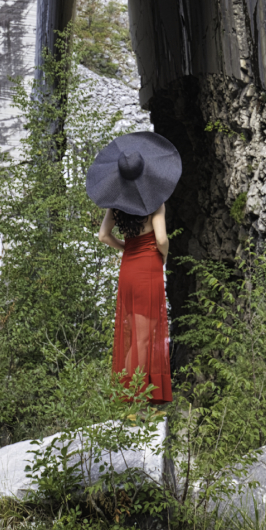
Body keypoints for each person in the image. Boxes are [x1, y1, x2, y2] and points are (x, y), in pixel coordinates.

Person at [86, 131, 182, 405]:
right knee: (144, 337)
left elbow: (104, 236)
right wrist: (162, 256)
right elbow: (162, 239)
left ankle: (128, 394)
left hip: (128, 269)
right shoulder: (156, 203)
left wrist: (126, 248)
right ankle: (132, 399)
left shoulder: (116, 204)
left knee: (134, 337)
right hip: (148, 269)